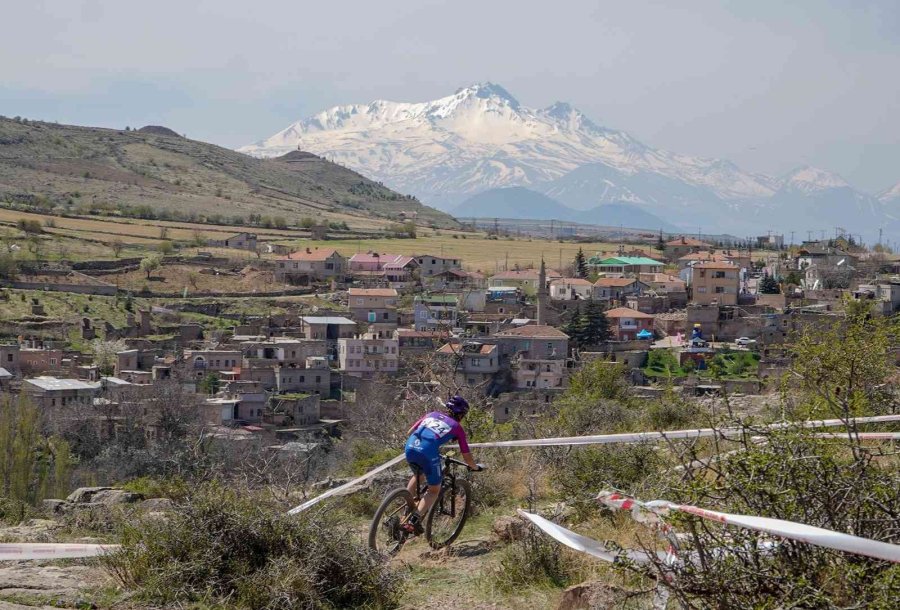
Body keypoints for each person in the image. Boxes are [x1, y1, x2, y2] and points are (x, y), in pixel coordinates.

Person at [402, 395, 482, 534]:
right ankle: (413, 521)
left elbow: (410, 432)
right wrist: (475, 467)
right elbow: (466, 456)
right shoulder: (457, 427)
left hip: (410, 446)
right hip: (428, 452)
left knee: (418, 475)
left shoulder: (431, 414)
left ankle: (406, 508)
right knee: (434, 490)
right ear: (461, 414)